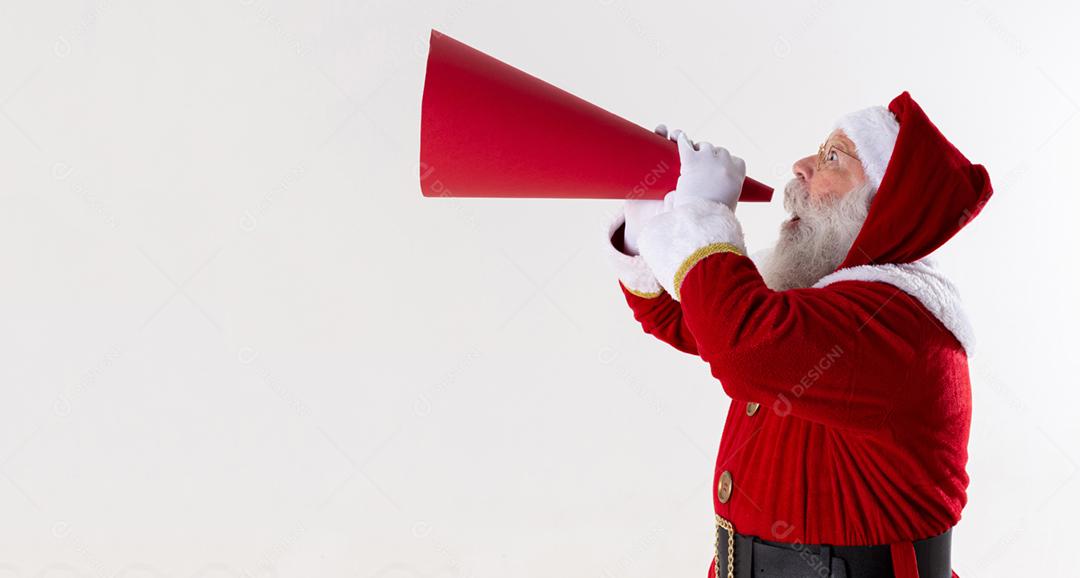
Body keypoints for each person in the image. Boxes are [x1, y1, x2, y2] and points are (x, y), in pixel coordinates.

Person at [602, 91, 992, 578]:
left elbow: (740, 343)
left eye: (833, 157)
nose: (802, 166)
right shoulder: (826, 306)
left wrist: (701, 218)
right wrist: (647, 230)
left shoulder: (894, 318)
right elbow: (695, 323)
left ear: (885, 201)